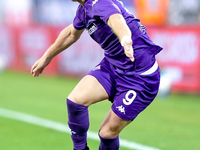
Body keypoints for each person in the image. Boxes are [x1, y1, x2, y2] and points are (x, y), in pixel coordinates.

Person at [31, 0, 163, 149]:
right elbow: (70, 34)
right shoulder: (83, 9)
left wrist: (125, 38)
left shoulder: (100, 2)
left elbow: (116, 19)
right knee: (75, 101)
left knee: (107, 133)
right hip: (113, 66)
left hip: (139, 77)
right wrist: (46, 57)